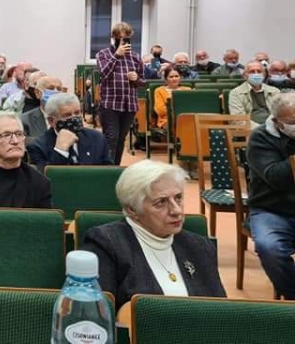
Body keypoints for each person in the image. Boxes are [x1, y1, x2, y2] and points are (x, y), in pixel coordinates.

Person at [81, 160, 226, 309]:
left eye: (178, 198)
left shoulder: (200, 247)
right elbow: (97, 314)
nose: (176, 210)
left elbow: (221, 312)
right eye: (161, 202)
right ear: (132, 209)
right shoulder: (106, 244)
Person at [246, 93, 295, 300]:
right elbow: (275, 177)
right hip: (271, 209)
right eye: (293, 122)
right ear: (277, 121)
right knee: (269, 248)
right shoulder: (260, 137)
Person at [96, 22, 145, 165]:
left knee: (121, 139)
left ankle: (115, 168)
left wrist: (136, 79)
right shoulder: (103, 54)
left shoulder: (136, 57)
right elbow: (104, 74)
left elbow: (143, 82)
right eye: (119, 37)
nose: (123, 40)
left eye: (126, 38)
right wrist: (116, 56)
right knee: (111, 137)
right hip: (110, 103)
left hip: (129, 104)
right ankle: (107, 169)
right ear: (114, 37)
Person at [28, 93, 113, 172]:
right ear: (52, 121)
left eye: (77, 113)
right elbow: (45, 178)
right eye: (67, 115)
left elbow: (109, 173)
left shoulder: (97, 138)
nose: (74, 118)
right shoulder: (38, 146)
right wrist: (60, 151)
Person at [229, 61, 280, 129]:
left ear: (264, 74)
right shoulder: (236, 93)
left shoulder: (275, 91)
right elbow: (238, 119)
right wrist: (262, 129)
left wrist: (273, 127)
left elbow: (280, 115)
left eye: (259, 71)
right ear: (244, 75)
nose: (256, 74)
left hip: (274, 128)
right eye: (252, 72)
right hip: (250, 130)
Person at [153, 65, 192, 131]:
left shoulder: (188, 90)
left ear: (180, 77)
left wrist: (172, 109)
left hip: (186, 119)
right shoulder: (159, 91)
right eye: (171, 77)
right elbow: (160, 110)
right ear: (166, 79)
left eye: (176, 76)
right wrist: (179, 110)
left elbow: (191, 108)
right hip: (167, 120)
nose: (174, 79)